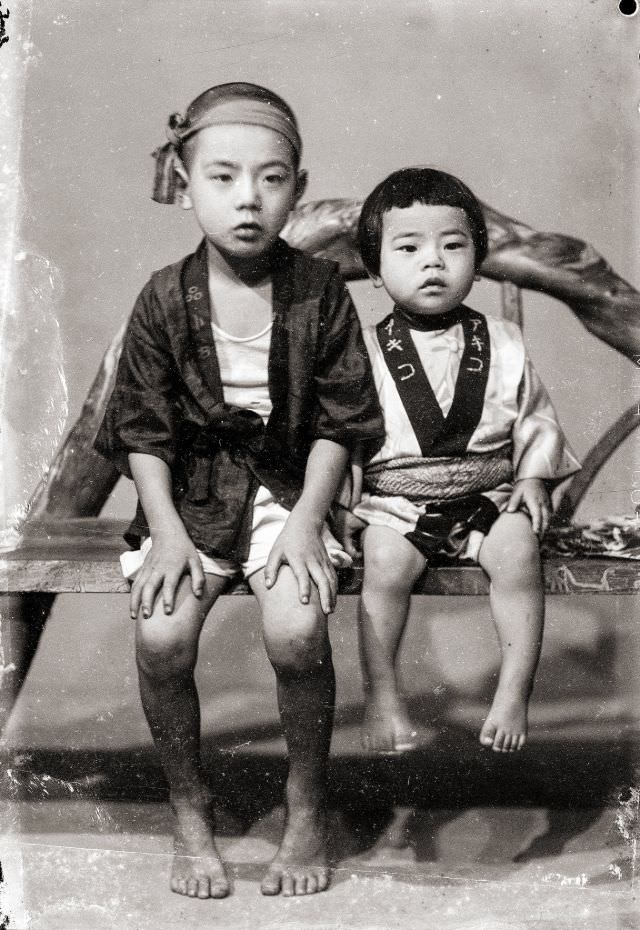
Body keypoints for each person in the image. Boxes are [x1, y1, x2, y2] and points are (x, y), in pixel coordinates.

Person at [95, 82, 383, 899]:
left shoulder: (320, 291)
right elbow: (142, 432)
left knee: (296, 631)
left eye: (272, 178)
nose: (248, 200)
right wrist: (168, 533)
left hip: (295, 491)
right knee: (160, 637)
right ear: (183, 181)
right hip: (187, 499)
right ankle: (191, 813)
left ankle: (304, 808)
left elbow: (340, 421)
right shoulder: (162, 295)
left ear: (297, 185)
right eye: (222, 177)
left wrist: (305, 524)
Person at [334, 167, 580, 756]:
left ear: (478, 258)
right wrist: (343, 507)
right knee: (385, 563)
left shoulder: (504, 341)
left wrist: (532, 479)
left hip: (487, 496)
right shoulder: (362, 351)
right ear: (374, 269)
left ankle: (513, 691)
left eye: (453, 246)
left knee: (518, 550)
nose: (433, 263)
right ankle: (384, 693)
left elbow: (534, 417)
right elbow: (341, 435)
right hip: (395, 501)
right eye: (409, 248)